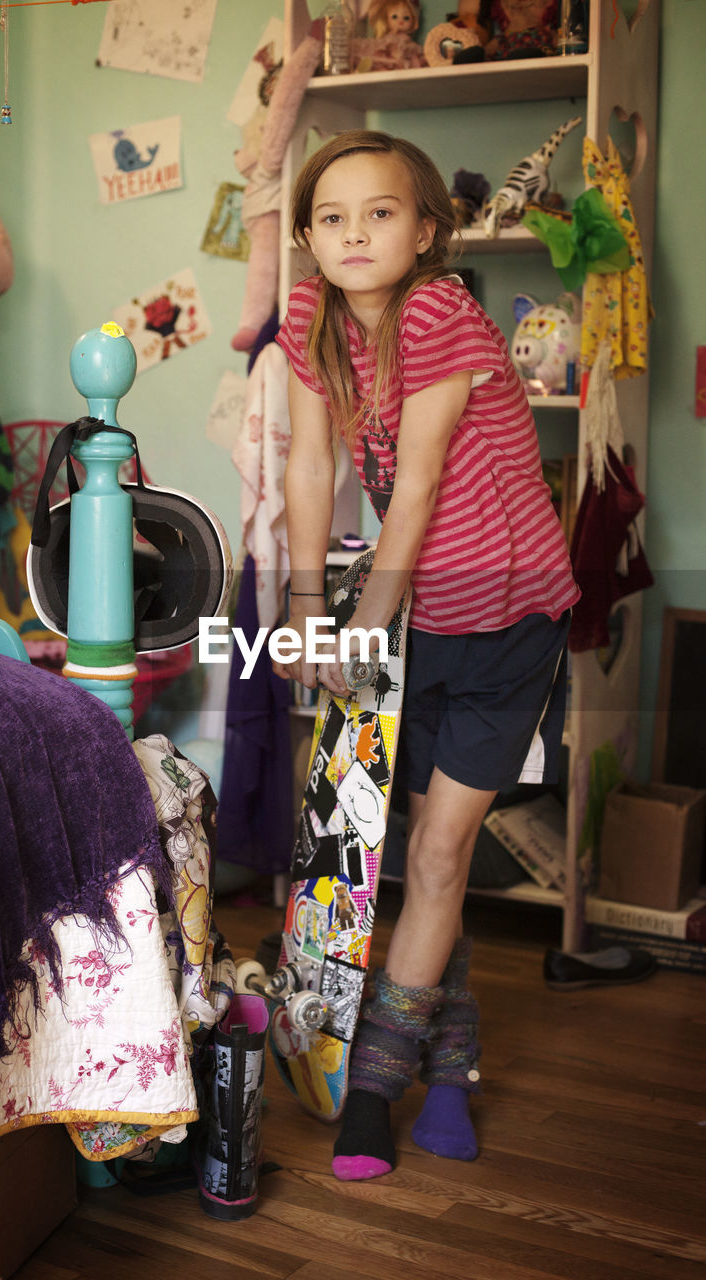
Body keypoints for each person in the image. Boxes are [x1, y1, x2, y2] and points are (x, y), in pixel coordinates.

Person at [273, 130, 579, 1181]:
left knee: (440, 858)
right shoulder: (310, 315)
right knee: (403, 857)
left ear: (428, 232)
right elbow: (311, 462)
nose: (353, 233)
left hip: (506, 618)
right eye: (330, 217)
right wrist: (310, 605)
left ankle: (375, 1087)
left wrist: (362, 627)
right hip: (413, 621)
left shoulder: (442, 312)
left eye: (380, 212)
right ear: (309, 238)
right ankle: (453, 1060)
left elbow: (413, 485)